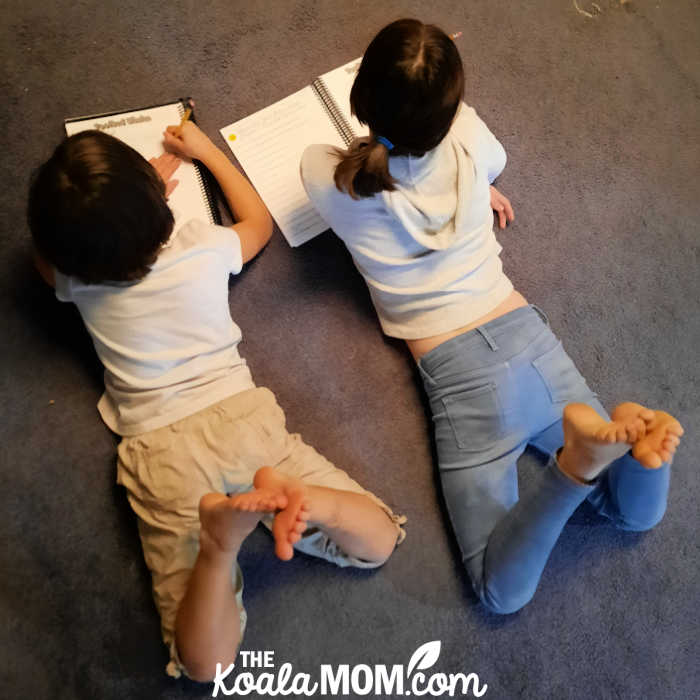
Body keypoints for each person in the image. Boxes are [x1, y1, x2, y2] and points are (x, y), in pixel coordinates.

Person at [301, 18, 683, 615]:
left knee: (498, 592)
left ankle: (570, 473)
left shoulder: (326, 175)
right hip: (528, 337)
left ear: (361, 97)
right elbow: (487, 158)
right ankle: (630, 451)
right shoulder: (471, 140)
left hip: (459, 378)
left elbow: (356, 160)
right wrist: (451, 110)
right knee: (630, 512)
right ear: (450, 109)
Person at [27, 124, 405, 681]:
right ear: (161, 212)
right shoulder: (201, 245)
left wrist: (107, 217)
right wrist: (202, 152)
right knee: (378, 541)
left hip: (160, 449)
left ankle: (216, 548)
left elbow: (45, 258)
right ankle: (305, 502)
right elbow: (258, 225)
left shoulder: (72, 279)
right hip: (243, 420)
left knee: (208, 665)